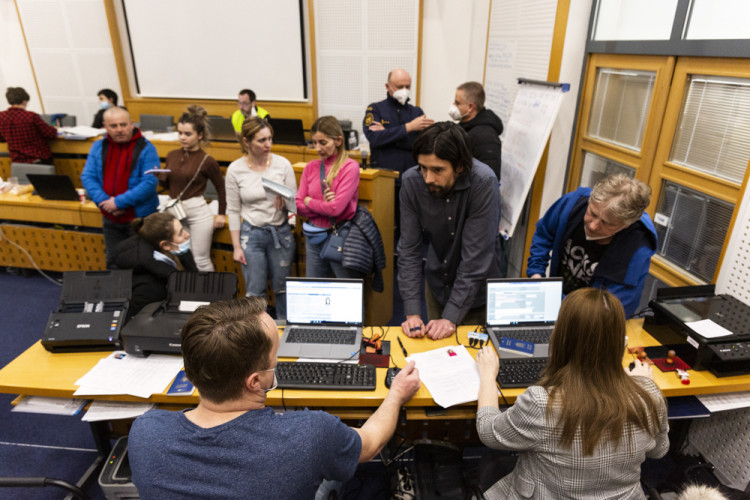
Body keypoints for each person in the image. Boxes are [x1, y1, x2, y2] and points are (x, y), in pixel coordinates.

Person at [128, 296, 421, 499]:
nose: (277, 364)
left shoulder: (145, 431)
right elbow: (370, 445)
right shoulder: (312, 433)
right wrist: (396, 393)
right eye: (275, 357)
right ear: (256, 382)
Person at [475, 288, 669, 499]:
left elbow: (488, 431)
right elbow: (659, 450)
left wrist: (487, 375)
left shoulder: (542, 403)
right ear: (619, 342)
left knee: (491, 462)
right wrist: (645, 387)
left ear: (561, 337)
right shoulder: (649, 395)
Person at [399, 122, 503, 340]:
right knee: (437, 352)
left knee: (472, 360)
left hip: (477, 293)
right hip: (437, 283)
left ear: (460, 166)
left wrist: (451, 317)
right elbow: (409, 250)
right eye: (423, 168)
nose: (428, 178)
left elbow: (475, 260)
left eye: (438, 170)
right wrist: (411, 313)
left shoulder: (483, 183)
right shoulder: (411, 182)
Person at [526, 173, 657, 317]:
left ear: (625, 225)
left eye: (606, 223)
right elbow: (544, 233)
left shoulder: (637, 249)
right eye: (592, 213)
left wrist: (554, 301)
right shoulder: (572, 204)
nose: (593, 226)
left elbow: (613, 311)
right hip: (556, 301)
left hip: (591, 320)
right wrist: (536, 274)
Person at [227, 117, 296, 319]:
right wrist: (236, 247)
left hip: (280, 232)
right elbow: (232, 209)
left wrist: (287, 203)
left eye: (270, 139)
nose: (268, 144)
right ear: (246, 142)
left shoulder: (282, 164)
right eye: (261, 140)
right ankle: (256, 335)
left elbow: (295, 205)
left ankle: (285, 333)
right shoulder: (235, 169)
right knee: (255, 292)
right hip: (252, 234)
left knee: (283, 289)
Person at [80, 107, 159, 269]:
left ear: (131, 124)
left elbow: (150, 182)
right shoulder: (98, 147)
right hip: (110, 218)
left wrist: (118, 203)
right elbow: (87, 177)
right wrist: (106, 203)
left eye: (123, 124)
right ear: (105, 127)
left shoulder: (147, 148)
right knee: (114, 262)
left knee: (142, 263)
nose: (119, 130)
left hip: (139, 219)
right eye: (113, 126)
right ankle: (117, 295)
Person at [159, 105, 226, 272]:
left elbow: (221, 189)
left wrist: (221, 214)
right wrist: (160, 177)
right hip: (175, 209)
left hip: (198, 212)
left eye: (188, 134)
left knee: (200, 259)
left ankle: (211, 296)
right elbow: (169, 186)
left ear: (200, 135)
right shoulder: (172, 155)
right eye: (180, 133)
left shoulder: (207, 160)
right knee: (179, 256)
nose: (182, 137)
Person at [296, 116, 362, 279]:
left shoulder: (350, 167)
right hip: (314, 237)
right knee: (314, 289)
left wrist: (309, 201)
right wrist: (321, 206)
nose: (318, 148)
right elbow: (297, 205)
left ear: (338, 141)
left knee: (346, 292)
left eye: (323, 143)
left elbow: (335, 209)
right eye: (314, 142)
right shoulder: (311, 167)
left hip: (338, 236)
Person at [114, 212, 196, 318]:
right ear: (165, 245)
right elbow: (139, 323)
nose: (187, 234)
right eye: (180, 233)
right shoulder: (148, 287)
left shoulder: (182, 254)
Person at [363, 69, 433, 174]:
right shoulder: (375, 109)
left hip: (411, 175)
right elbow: (375, 139)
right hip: (384, 174)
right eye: (400, 87)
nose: (404, 90)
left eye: (407, 86)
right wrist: (409, 127)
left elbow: (422, 146)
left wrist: (388, 134)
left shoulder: (417, 112)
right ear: (388, 87)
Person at [450, 81, 503, 179]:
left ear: (470, 107)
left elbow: (488, 179)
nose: (453, 105)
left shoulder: (486, 138)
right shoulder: (465, 127)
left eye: (457, 103)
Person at [0, 87, 58, 164]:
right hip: (38, 159)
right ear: (24, 102)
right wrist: (54, 128)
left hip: (17, 162)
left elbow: (2, 138)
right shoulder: (31, 116)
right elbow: (50, 134)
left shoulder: (1, 117)